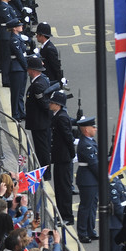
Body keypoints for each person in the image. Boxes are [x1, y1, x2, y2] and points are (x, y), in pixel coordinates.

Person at [49, 91, 75, 226]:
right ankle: (61, 214)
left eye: (52, 102)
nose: (50, 104)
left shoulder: (61, 118)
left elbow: (68, 138)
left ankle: (67, 216)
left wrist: (72, 153)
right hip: (59, 157)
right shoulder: (58, 116)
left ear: (58, 105)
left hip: (63, 158)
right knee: (59, 187)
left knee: (64, 188)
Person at [25, 56, 51, 178]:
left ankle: (44, 173)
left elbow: (44, 105)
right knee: (42, 149)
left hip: (39, 123)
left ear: (32, 70)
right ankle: (43, 170)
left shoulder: (37, 85)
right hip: (40, 122)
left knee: (42, 150)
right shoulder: (42, 81)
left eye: (29, 68)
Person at [75, 116, 99, 244]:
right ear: (85, 129)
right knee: (86, 206)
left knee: (92, 206)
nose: (95, 129)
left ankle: (90, 230)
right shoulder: (86, 144)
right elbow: (94, 164)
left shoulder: (90, 141)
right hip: (87, 179)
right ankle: (83, 232)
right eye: (93, 127)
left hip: (91, 179)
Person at [0, 0, 19, 86]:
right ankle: (5, 80)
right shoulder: (3, 7)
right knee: (6, 58)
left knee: (8, 58)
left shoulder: (7, 6)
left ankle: (8, 78)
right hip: (5, 34)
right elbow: (9, 20)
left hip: (7, 34)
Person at [7, 19, 27, 121]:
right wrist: (26, 67)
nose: (21, 26)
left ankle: (21, 111)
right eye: (19, 25)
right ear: (14, 28)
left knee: (20, 92)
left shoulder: (18, 37)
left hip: (20, 68)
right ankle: (15, 114)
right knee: (16, 92)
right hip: (16, 68)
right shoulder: (14, 40)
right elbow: (19, 55)